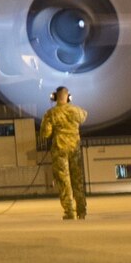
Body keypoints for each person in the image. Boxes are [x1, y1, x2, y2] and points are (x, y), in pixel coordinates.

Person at [40, 85, 89, 220]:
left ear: (54, 97)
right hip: (75, 149)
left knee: (64, 181)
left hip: (60, 149)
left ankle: (69, 211)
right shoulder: (76, 111)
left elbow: (46, 133)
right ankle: (82, 210)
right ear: (69, 97)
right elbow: (84, 116)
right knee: (77, 179)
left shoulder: (50, 113)